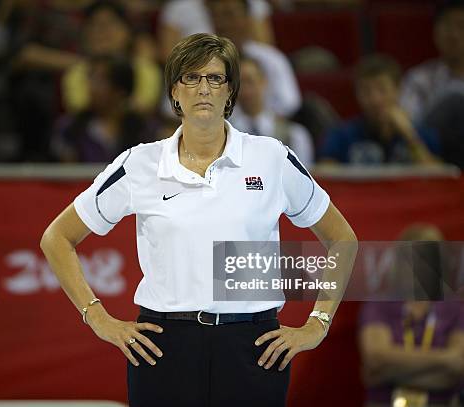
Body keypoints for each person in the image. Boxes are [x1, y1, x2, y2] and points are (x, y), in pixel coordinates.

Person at [41, 33, 357, 406]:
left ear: (230, 92)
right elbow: (57, 237)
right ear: (175, 92)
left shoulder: (271, 158)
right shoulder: (140, 163)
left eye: (215, 78)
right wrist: (97, 318)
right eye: (191, 78)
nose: (203, 88)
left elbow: (343, 239)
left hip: (254, 345)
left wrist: (317, 323)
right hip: (163, 345)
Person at [359, 225, 464, 407]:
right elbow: (375, 358)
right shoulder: (379, 305)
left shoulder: (454, 309)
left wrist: (389, 371)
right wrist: (445, 359)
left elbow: (457, 371)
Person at [320, 55, 441, 165]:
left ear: (398, 90)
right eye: (366, 91)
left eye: (382, 89)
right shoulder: (341, 136)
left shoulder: (423, 134)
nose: (375, 99)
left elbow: (439, 178)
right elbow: (324, 174)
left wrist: (409, 135)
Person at [52, 56, 155, 163]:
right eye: (91, 79)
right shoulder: (70, 129)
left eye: (100, 81)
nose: (91, 87)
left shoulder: (144, 131)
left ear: (120, 91)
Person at [229, 55, 314, 166]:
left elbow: (303, 180)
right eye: (239, 84)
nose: (245, 90)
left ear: (263, 82)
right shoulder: (224, 133)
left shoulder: (294, 135)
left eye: (250, 81)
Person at [400, 0, 464, 122]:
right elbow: (410, 125)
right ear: (435, 32)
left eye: (461, 26)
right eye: (448, 26)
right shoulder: (418, 79)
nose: (454, 34)